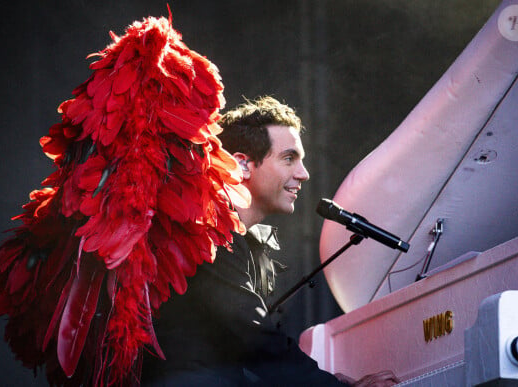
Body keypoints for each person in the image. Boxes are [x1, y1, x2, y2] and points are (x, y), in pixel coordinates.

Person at [141, 96, 398, 386]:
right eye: (289, 158)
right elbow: (257, 342)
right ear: (243, 165)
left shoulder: (226, 234)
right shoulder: (206, 232)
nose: (304, 174)